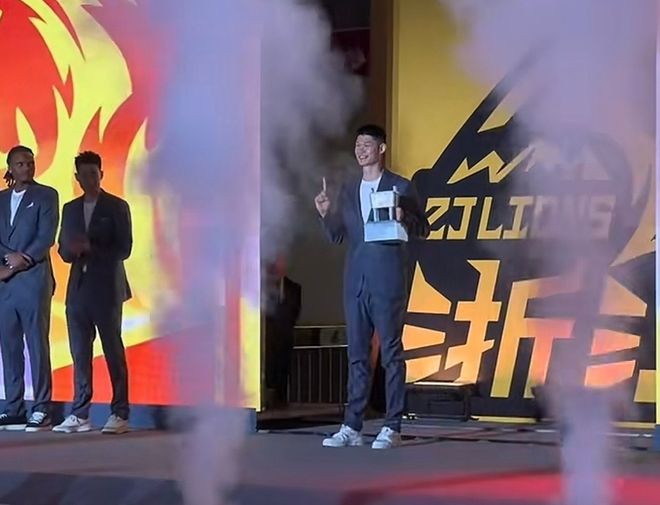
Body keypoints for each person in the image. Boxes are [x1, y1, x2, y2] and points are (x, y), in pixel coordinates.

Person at [315, 125, 429, 449]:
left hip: (388, 279)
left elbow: (424, 228)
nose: (360, 150)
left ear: (381, 149)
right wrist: (325, 214)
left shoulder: (401, 186)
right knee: (356, 355)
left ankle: (392, 426)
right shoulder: (349, 188)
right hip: (355, 282)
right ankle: (352, 426)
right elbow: (338, 235)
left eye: (367, 144)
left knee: (391, 352)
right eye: (357, 145)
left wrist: (403, 215)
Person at [53, 151, 132, 434]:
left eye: (94, 174)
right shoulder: (70, 209)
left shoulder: (117, 206)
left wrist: (92, 247)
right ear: (77, 178)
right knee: (79, 352)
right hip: (78, 290)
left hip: (107, 288)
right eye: (84, 175)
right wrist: (71, 249)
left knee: (112, 351)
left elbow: (125, 248)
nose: (89, 179)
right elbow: (63, 251)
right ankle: (80, 413)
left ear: (101, 174)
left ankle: (120, 413)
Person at [0, 145, 59, 432]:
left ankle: (42, 408)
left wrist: (18, 262)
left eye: (30, 163)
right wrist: (6, 263)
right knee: (9, 346)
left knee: (37, 344)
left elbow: (46, 236)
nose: (27, 168)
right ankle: (14, 408)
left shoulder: (46, 195)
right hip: (5, 284)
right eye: (21, 164)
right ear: (10, 168)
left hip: (33, 280)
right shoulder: (1, 199)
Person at [264, 260, 301, 407]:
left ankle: (281, 401)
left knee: (283, 371)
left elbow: (295, 313)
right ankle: (268, 401)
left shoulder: (294, 288)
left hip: (285, 339)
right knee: (268, 371)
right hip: (267, 340)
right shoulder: (265, 287)